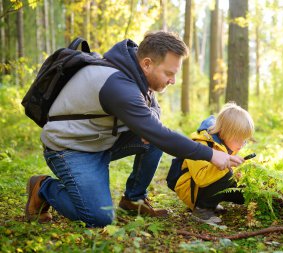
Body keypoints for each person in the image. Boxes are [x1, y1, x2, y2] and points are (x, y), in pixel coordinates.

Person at [25, 31, 244, 227]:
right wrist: (210, 154)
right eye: (169, 73)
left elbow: (154, 117)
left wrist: (146, 128)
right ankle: (43, 188)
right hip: (71, 149)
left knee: (154, 138)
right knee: (97, 217)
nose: (173, 81)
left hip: (100, 140)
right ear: (147, 63)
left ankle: (134, 198)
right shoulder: (117, 85)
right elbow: (158, 133)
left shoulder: (137, 75)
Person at [172, 102, 254, 224]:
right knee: (225, 175)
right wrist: (228, 165)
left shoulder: (227, 143)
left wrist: (236, 173)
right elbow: (202, 178)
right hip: (190, 189)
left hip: (204, 186)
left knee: (242, 191)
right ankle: (202, 210)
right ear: (223, 133)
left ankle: (210, 203)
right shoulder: (200, 144)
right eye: (238, 140)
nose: (241, 145)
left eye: (245, 141)